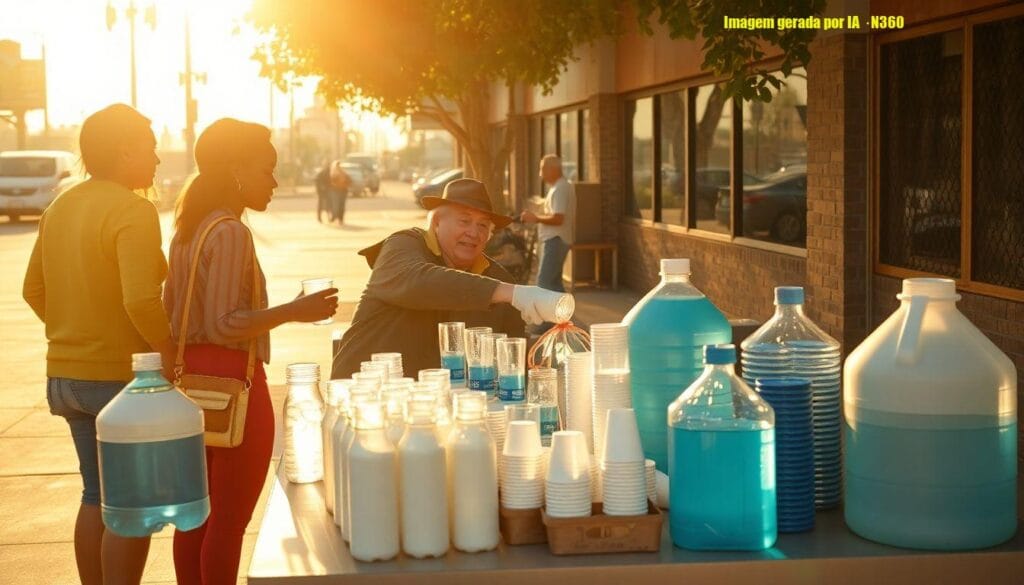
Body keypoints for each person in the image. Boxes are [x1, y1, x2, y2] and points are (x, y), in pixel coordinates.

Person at [164, 118, 338, 584]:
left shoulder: (188, 230)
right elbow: (225, 324)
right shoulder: (230, 232)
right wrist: (294, 310)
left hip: (189, 383)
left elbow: (173, 313)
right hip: (233, 384)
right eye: (267, 169)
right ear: (236, 171)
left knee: (195, 518)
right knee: (227, 523)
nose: (276, 181)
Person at [22, 103, 173, 585]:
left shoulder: (60, 205)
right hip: (118, 383)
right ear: (125, 151)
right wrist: (171, 356)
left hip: (65, 378)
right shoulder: (133, 209)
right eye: (150, 149)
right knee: (134, 505)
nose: (157, 160)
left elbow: (33, 290)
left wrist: (78, 333)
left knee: (96, 495)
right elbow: (142, 301)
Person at [331, 178, 567, 378]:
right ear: (436, 222)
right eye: (464, 221)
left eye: (483, 226)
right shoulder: (402, 246)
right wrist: (513, 292)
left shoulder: (496, 277)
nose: (474, 233)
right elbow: (422, 282)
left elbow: (514, 353)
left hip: (444, 410)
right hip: (362, 392)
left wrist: (553, 352)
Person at [521, 154, 576, 293]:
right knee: (555, 285)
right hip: (556, 240)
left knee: (544, 284)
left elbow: (558, 218)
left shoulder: (560, 188)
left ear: (553, 169)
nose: (540, 174)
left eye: (542, 169)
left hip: (555, 240)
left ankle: (555, 314)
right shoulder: (559, 187)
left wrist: (535, 218)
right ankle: (563, 313)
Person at [329, 160, 351, 224]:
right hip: (337, 191)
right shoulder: (334, 173)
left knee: (340, 206)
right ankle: (336, 217)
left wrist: (345, 185)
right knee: (337, 206)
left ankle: (339, 218)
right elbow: (330, 182)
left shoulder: (342, 173)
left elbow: (349, 181)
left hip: (340, 191)